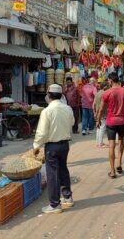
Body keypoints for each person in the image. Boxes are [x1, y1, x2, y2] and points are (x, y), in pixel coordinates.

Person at [33, 84, 75, 214]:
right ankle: (67, 197)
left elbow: (42, 132)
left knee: (53, 174)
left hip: (52, 146)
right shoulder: (68, 108)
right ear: (61, 95)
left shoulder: (47, 111)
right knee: (63, 170)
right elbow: (72, 123)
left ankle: (55, 204)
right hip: (65, 145)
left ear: (48, 95)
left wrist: (36, 146)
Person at [96, 72, 124, 179]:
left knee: (112, 145)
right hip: (122, 120)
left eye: (108, 81)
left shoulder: (107, 93)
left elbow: (101, 109)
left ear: (111, 81)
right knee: (121, 140)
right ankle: (119, 164)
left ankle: (112, 171)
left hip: (111, 121)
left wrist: (98, 120)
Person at [93, 81, 110, 148]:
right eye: (108, 86)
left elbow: (94, 104)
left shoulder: (98, 93)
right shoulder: (104, 93)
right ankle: (100, 143)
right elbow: (102, 105)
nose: (109, 87)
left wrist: (95, 112)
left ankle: (98, 142)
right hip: (102, 113)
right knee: (102, 128)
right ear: (105, 86)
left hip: (98, 112)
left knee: (99, 128)